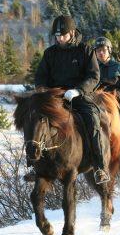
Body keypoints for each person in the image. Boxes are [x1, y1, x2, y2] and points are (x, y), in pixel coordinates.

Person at [34, 15, 110, 184]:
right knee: (34, 120)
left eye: (64, 35)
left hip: (79, 96)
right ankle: (36, 166)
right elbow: (40, 77)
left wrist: (78, 90)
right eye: (57, 36)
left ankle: (100, 166)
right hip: (55, 99)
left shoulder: (85, 50)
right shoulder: (50, 53)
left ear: (72, 33)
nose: (60, 39)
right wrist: (42, 89)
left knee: (92, 120)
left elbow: (94, 76)